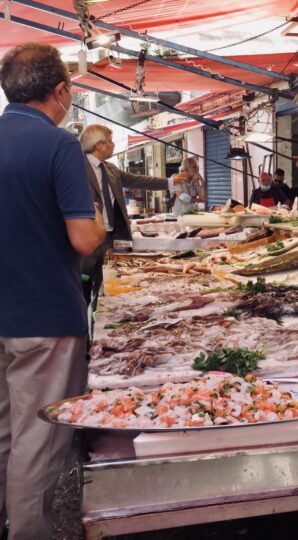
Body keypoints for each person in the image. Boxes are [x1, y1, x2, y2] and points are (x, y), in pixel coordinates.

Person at [0, 42, 106, 540]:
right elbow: (84, 237)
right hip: (43, 315)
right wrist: (102, 226)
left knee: (4, 436)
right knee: (37, 441)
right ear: (60, 90)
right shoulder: (59, 144)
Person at [79, 124, 186, 305]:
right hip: (86, 237)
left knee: (102, 285)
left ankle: (95, 321)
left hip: (108, 237)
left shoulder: (110, 168)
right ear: (99, 144)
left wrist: (170, 182)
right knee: (82, 284)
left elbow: (137, 180)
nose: (113, 145)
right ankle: (82, 325)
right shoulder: (75, 167)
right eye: (110, 141)